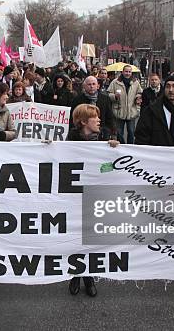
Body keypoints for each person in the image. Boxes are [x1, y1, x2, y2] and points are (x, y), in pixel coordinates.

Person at [67, 103, 119, 297]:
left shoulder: (106, 138)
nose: (99, 120)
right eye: (94, 117)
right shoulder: (70, 140)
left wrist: (113, 152)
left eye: (98, 116)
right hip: (75, 195)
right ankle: (75, 276)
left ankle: (88, 278)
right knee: (76, 239)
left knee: (91, 239)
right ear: (82, 122)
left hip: (97, 194)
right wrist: (49, 148)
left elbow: (110, 169)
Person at [107, 66, 142, 144]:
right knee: (119, 133)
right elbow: (108, 94)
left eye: (129, 72)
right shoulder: (115, 82)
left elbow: (139, 93)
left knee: (131, 132)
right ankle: (122, 146)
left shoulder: (136, 82)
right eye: (126, 71)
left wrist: (138, 97)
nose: (128, 73)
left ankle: (130, 147)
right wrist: (114, 96)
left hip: (131, 111)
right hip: (119, 110)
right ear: (122, 72)